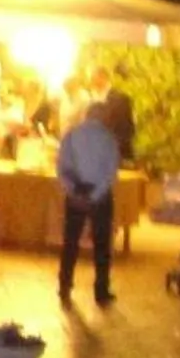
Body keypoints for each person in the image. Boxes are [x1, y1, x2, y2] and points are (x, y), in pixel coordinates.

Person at [55, 103, 121, 304]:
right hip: (100, 197)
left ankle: (65, 284)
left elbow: (62, 166)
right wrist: (95, 195)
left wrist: (73, 190)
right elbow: (111, 172)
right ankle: (101, 289)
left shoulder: (72, 135)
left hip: (76, 192)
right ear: (103, 117)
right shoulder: (109, 139)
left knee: (70, 242)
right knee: (102, 245)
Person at [89, 64, 137, 162]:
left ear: (103, 77)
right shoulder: (92, 102)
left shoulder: (121, 99)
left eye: (93, 77)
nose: (91, 81)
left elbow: (128, 130)